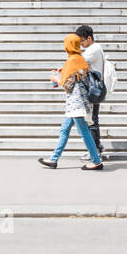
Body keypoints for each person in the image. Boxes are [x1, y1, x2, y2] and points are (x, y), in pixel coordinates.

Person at [38, 33, 104, 170]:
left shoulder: (72, 60)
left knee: (84, 133)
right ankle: (54, 159)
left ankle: (96, 161)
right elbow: (76, 79)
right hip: (76, 103)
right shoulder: (80, 59)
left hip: (76, 104)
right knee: (64, 130)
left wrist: (55, 79)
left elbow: (68, 85)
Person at [78, 25, 108, 160]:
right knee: (93, 119)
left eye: (82, 41)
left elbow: (79, 63)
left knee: (91, 120)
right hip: (95, 88)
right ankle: (97, 147)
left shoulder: (93, 50)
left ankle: (95, 151)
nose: (81, 44)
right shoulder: (96, 48)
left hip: (93, 88)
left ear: (89, 38)